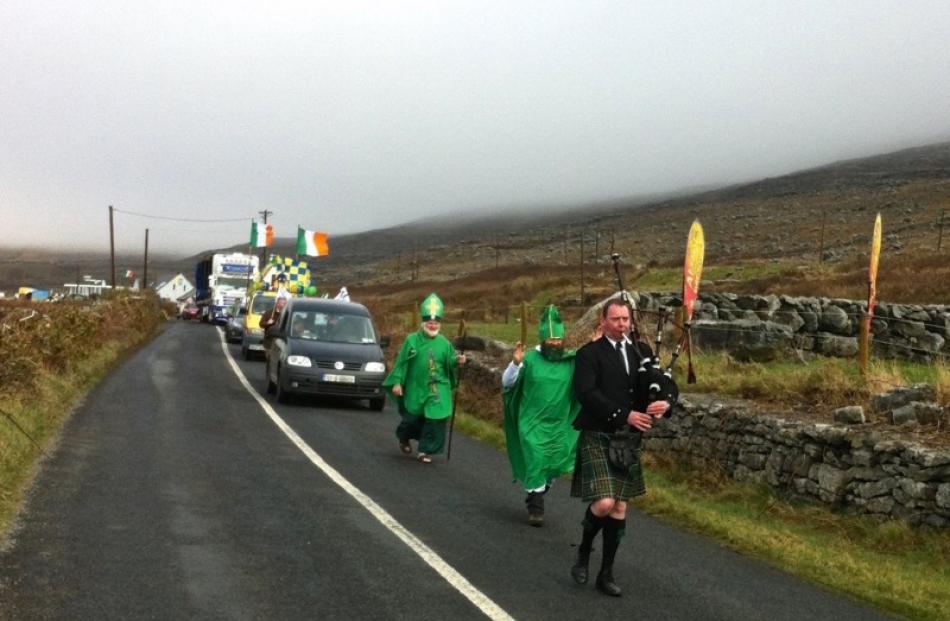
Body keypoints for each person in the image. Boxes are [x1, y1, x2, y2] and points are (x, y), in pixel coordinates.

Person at [570, 298, 670, 597]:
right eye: (616, 319)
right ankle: (585, 550)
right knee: (604, 503)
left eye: (626, 319)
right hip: (598, 432)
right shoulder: (589, 354)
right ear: (603, 320)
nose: (622, 324)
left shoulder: (641, 352)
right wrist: (623, 414)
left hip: (626, 440)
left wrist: (665, 401)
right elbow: (586, 393)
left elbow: (661, 382)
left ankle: (606, 573)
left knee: (620, 507)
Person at [502, 304, 580, 526]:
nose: (555, 343)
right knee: (536, 459)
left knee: (555, 464)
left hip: (559, 424)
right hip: (532, 422)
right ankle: (536, 507)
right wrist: (515, 364)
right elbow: (507, 383)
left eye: (558, 340)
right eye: (551, 340)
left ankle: (537, 491)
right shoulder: (530, 359)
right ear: (543, 339)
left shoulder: (570, 361)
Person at [383, 293, 466, 464]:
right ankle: (404, 438)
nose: (433, 325)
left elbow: (449, 361)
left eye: (436, 323)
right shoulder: (412, 340)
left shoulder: (444, 343)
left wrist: (457, 361)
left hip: (438, 386)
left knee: (435, 419)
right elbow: (402, 362)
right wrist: (398, 382)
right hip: (416, 386)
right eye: (430, 323)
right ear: (423, 323)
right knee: (412, 418)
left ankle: (425, 450)